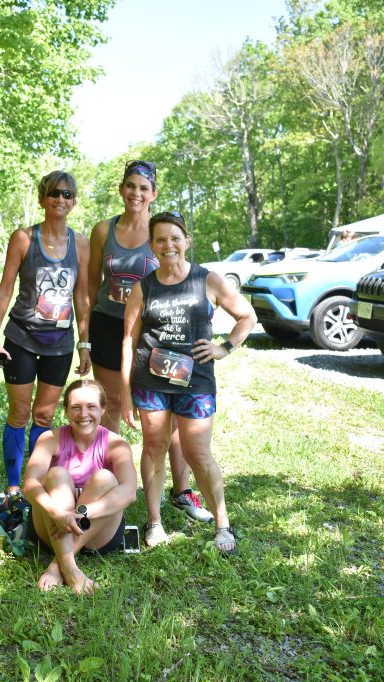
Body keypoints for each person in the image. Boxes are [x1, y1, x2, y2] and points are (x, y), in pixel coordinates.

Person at [121, 211, 257, 553]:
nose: (168, 245)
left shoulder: (207, 280)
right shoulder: (143, 288)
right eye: (160, 239)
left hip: (195, 382)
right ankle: (154, 522)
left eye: (175, 238)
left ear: (186, 241)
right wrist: (124, 393)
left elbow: (246, 316)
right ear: (152, 246)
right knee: (154, 446)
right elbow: (128, 341)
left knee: (198, 453)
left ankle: (222, 524)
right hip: (150, 381)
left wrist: (224, 347)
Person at [87, 160, 213, 523]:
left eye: (144, 188)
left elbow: (182, 279)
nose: (136, 193)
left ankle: (182, 491)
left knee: (171, 414)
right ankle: (107, 483)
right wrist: (85, 335)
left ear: (153, 193)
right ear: (121, 189)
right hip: (109, 326)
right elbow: (90, 284)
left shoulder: (162, 233)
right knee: (112, 405)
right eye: (130, 185)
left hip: (158, 330)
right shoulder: (103, 230)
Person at [0, 171, 91, 494]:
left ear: (74, 202)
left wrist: (84, 343)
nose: (60, 199)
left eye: (67, 194)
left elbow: (82, 295)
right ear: (42, 199)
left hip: (59, 342)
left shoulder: (81, 244)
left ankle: (34, 483)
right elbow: (5, 287)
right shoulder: (24, 238)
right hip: (21, 337)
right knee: (19, 413)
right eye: (54, 193)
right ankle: (12, 487)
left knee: (44, 416)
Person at [22, 379, 137, 594]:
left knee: (105, 478)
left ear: (103, 409)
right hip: (51, 528)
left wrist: (81, 513)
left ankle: (58, 565)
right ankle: (71, 570)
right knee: (56, 474)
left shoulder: (116, 444)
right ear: (66, 410)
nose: (83, 414)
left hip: (98, 535)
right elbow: (29, 485)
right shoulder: (49, 438)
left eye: (91, 406)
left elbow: (129, 492)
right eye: (75, 407)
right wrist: (58, 514)